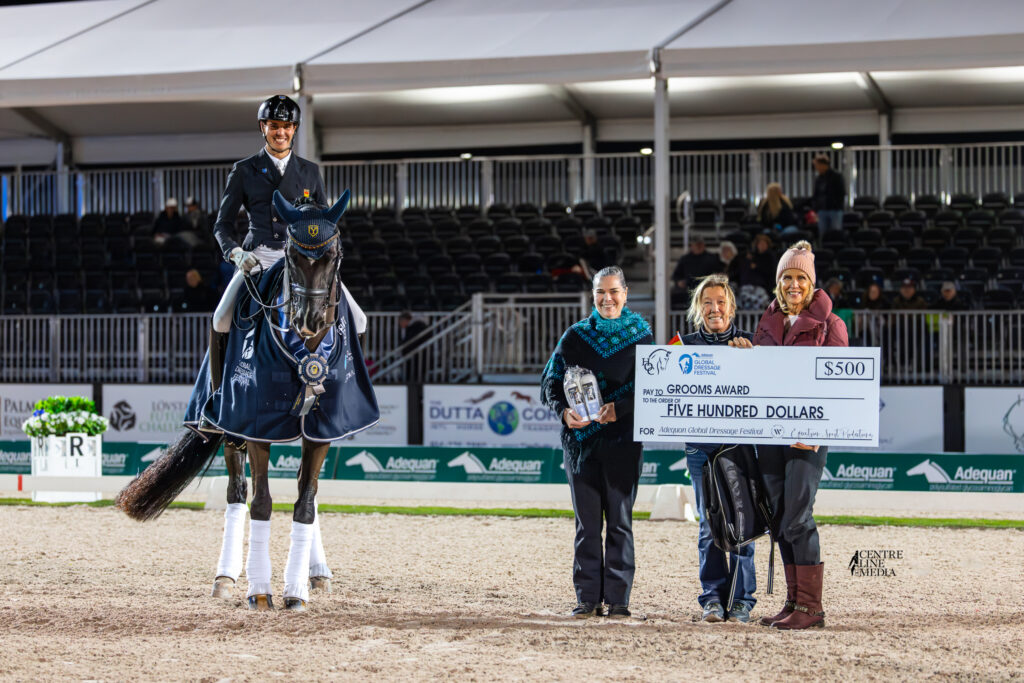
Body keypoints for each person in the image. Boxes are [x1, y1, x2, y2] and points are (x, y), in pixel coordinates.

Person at [208, 95, 367, 390]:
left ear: (294, 129)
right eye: (274, 126)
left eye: (286, 126)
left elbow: (324, 222)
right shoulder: (244, 170)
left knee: (359, 320)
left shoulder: (310, 171)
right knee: (221, 318)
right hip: (260, 257)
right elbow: (222, 226)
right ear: (263, 127)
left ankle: (352, 388)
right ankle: (217, 396)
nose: (280, 132)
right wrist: (236, 253)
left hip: (304, 258)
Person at [540, 265, 652, 619]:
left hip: (623, 441)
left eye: (614, 291)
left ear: (625, 293)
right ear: (593, 295)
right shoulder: (574, 336)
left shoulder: (642, 337)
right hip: (581, 445)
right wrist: (563, 413)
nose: (607, 299)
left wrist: (620, 409)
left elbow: (650, 390)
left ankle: (618, 600)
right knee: (587, 525)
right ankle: (588, 598)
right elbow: (550, 383)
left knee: (619, 522)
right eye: (600, 292)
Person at [751, 240, 848, 630]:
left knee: (797, 517)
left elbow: (838, 386)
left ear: (812, 283)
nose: (794, 285)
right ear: (778, 282)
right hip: (770, 434)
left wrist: (816, 429)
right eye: (787, 277)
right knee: (779, 517)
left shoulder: (831, 324)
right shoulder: (767, 321)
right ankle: (794, 601)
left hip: (807, 435)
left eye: (801, 278)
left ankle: (811, 608)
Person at [680, 273, 757, 623]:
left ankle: (741, 601)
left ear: (732, 307)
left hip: (740, 449)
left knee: (743, 522)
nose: (715, 309)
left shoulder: (750, 343)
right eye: (707, 302)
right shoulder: (681, 345)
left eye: (721, 302)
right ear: (698, 307)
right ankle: (712, 598)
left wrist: (749, 357)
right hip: (700, 449)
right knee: (708, 524)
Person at [811, 155, 845, 240]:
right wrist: (816, 208)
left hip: (835, 210)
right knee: (823, 235)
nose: (816, 168)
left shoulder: (837, 176)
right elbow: (816, 195)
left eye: (817, 165)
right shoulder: (819, 179)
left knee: (836, 234)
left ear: (823, 165)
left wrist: (836, 204)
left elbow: (841, 192)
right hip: (822, 210)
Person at [398, 311, 428, 382]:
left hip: (418, 357)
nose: (400, 324)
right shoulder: (412, 327)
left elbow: (412, 341)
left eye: (400, 322)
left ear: (405, 320)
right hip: (415, 357)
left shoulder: (417, 326)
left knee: (416, 376)